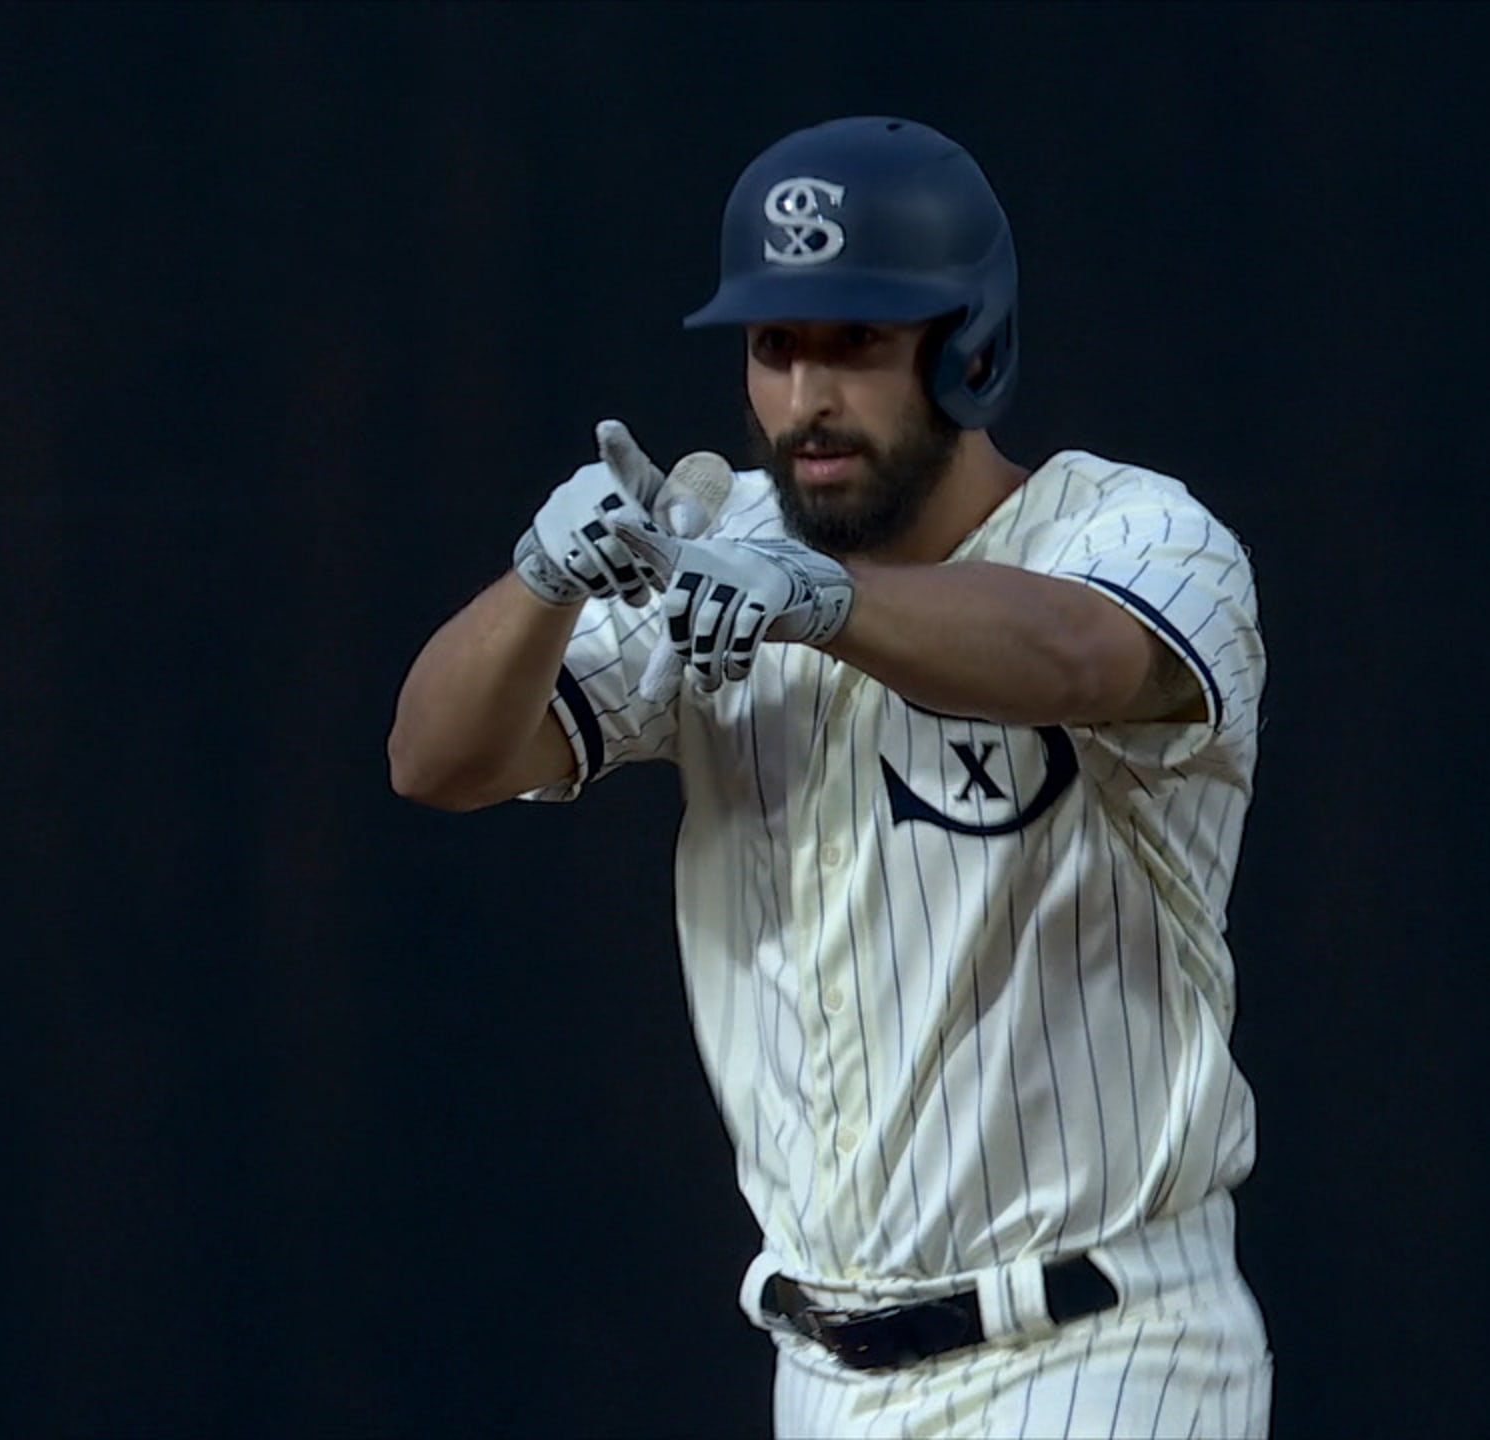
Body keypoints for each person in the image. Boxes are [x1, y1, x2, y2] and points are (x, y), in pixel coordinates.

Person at [388, 115, 1273, 1439]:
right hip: (823, 1369)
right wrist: (539, 582)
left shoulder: (1137, 530)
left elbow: (1080, 654)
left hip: (1103, 1349)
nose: (807, 398)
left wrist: (821, 598)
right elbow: (436, 759)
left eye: (857, 344)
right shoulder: (724, 545)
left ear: (970, 344)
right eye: (775, 346)